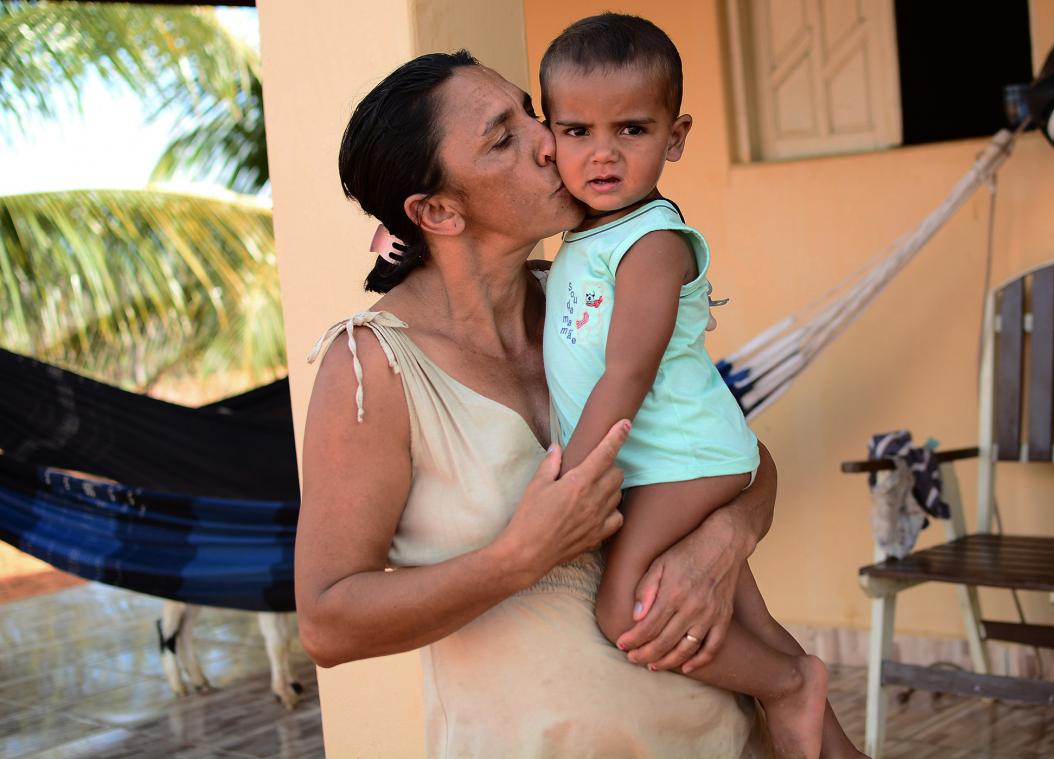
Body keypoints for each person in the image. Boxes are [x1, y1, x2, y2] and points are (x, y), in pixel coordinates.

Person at [298, 50, 778, 757]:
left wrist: (725, 538)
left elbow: (735, 453)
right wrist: (517, 558)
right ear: (436, 209)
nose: (550, 140)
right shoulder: (373, 367)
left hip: (728, 739)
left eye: (531, 111)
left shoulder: (590, 296)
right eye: (505, 137)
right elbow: (328, 624)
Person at [537, 14, 864, 759]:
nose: (603, 153)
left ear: (675, 136)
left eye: (632, 129)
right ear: (547, 136)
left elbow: (628, 372)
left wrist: (570, 488)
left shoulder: (651, 242)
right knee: (746, 622)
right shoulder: (586, 238)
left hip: (684, 461)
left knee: (625, 615)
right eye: (577, 131)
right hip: (673, 457)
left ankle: (784, 685)